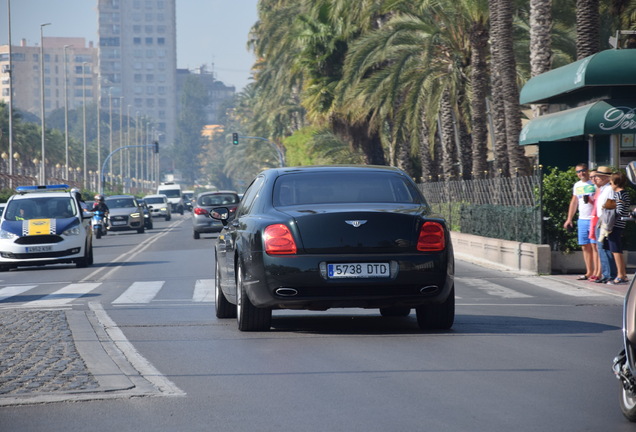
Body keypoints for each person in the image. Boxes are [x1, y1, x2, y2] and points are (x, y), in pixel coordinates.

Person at [564, 163, 596, 280]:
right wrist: (569, 219)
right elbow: (574, 202)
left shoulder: (594, 183)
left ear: (588, 170)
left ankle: (598, 272)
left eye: (583, 170)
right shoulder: (577, 185)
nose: (581, 173)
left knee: (595, 247)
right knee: (584, 246)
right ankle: (589, 271)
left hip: (594, 219)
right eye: (578, 171)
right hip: (582, 219)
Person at [593, 166, 617, 284]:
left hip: (605, 220)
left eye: (598, 176)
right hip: (601, 219)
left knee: (604, 247)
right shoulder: (604, 189)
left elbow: (610, 206)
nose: (596, 178)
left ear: (605, 178)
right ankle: (606, 273)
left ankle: (609, 274)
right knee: (602, 248)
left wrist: (607, 223)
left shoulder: (609, 190)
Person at [606, 171, 631, 285]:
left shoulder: (620, 195)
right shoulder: (623, 194)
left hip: (616, 225)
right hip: (618, 224)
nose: (610, 186)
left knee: (616, 250)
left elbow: (620, 211)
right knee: (616, 250)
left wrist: (609, 209)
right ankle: (622, 274)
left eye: (611, 183)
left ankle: (620, 275)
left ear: (616, 183)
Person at [587, 170, 602, 282]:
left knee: (599, 246)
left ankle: (599, 272)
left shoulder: (603, 190)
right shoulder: (595, 190)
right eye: (591, 177)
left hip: (598, 219)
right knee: (593, 246)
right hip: (593, 218)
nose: (593, 179)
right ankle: (595, 271)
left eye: (595, 177)